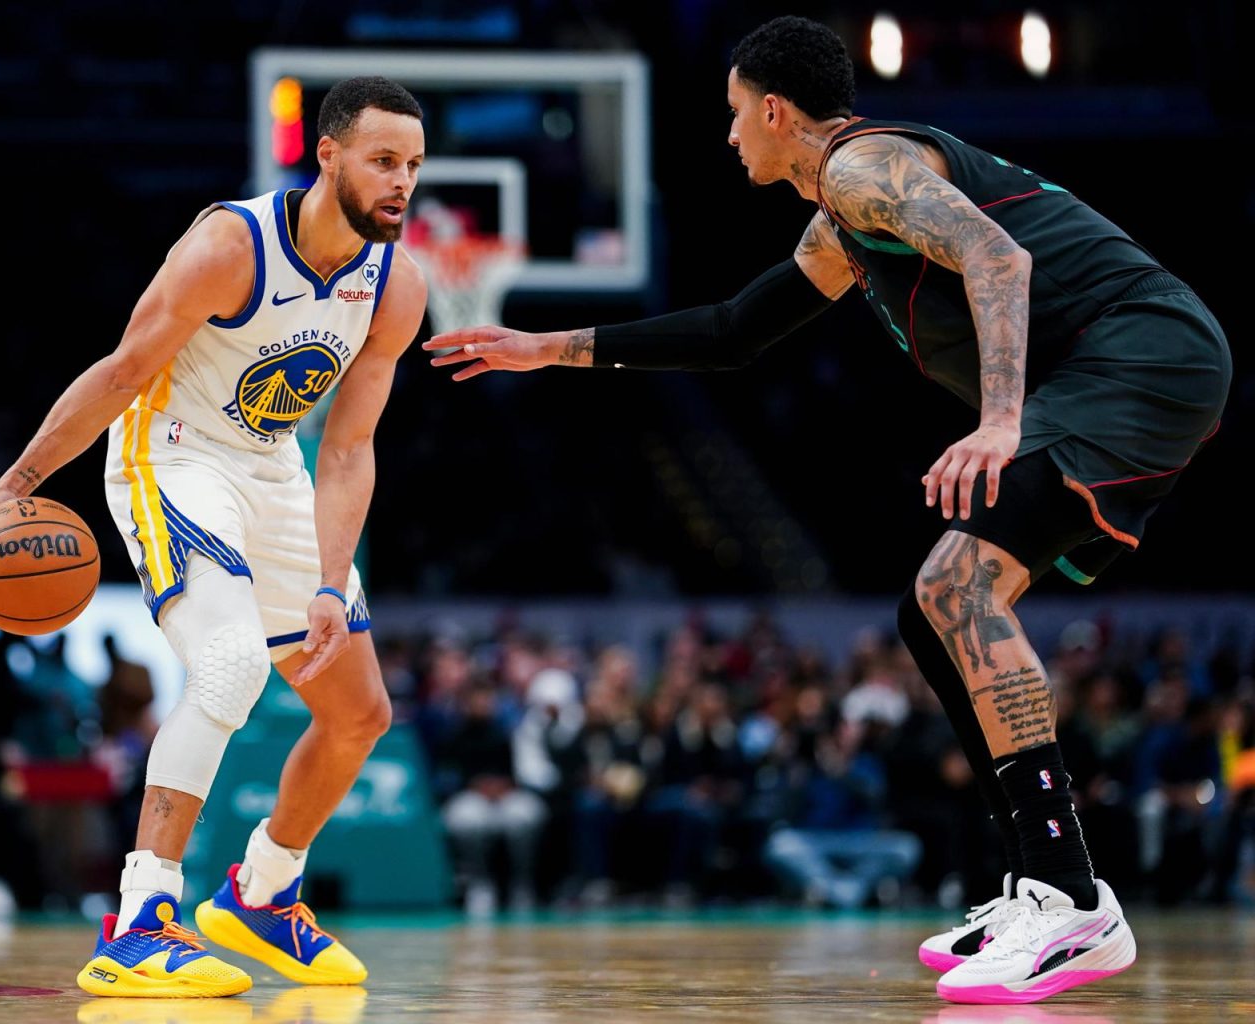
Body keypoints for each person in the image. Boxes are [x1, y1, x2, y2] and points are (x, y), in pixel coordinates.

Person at [423, 16, 1230, 1005]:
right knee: (931, 613)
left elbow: (999, 259)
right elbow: (734, 330)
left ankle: (1071, 894)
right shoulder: (841, 218)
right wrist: (553, 347)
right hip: (1124, 364)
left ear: (773, 110)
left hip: (1140, 354)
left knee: (959, 586)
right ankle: (1047, 882)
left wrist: (1003, 421)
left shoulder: (864, 170)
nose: (727, 139)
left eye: (732, 117)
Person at [0, 76, 428, 997]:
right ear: (327, 155)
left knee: (360, 712)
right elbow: (125, 367)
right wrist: (16, 483)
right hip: (170, 454)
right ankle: (140, 919)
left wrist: (333, 582)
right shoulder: (229, 245)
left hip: (271, 464)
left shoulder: (395, 285)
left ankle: (262, 892)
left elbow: (351, 448)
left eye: (412, 164)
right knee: (230, 664)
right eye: (382, 160)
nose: (401, 181)